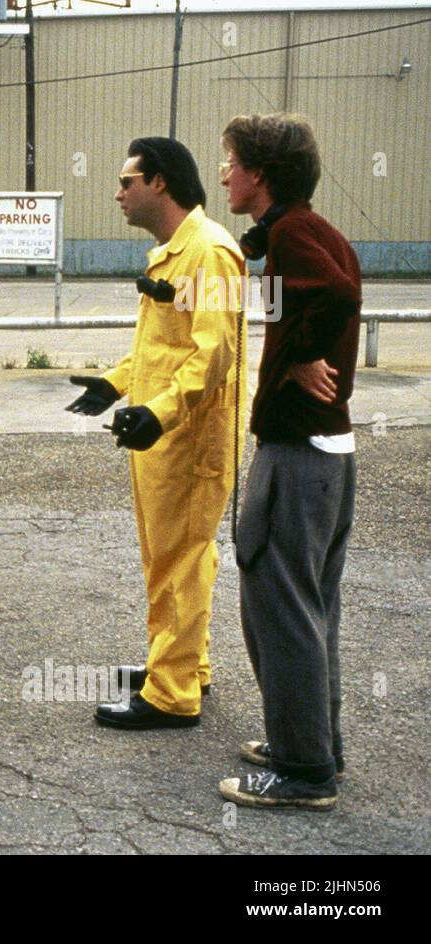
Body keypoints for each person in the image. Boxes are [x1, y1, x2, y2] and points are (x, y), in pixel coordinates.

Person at [65, 138, 246, 730]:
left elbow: (214, 353)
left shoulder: (210, 253)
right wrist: (115, 385)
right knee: (171, 557)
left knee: (182, 559)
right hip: (162, 437)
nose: (118, 194)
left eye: (127, 182)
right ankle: (182, 664)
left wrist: (162, 411)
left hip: (189, 440)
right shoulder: (174, 252)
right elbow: (164, 347)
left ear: (160, 183)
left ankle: (172, 694)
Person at [216, 114, 361, 810]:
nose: (224, 175)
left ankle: (304, 774)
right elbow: (323, 289)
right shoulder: (309, 229)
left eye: (232, 163)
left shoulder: (296, 233)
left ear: (260, 173)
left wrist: (303, 353)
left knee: (280, 610)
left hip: (298, 452)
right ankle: (315, 745)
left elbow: (333, 295)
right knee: (312, 609)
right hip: (328, 449)